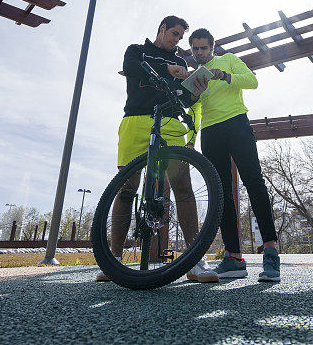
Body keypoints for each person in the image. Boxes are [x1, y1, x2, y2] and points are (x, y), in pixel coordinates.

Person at [96, 16, 218, 283]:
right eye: (174, 33)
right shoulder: (136, 50)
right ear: (162, 29)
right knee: (127, 187)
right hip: (135, 120)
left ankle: (195, 262)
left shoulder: (184, 63)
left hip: (171, 120)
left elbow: (185, 98)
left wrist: (195, 91)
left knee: (183, 186)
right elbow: (131, 68)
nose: (177, 40)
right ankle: (113, 261)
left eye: (179, 36)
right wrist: (168, 71)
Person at [188, 28, 281, 282]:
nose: (199, 53)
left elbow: (252, 81)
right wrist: (194, 97)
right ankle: (234, 258)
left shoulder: (227, 59)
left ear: (212, 47)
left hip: (237, 124)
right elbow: (195, 108)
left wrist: (225, 76)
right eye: (195, 49)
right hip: (210, 131)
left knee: (254, 182)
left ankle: (271, 252)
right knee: (221, 192)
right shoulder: (195, 74)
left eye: (203, 48)